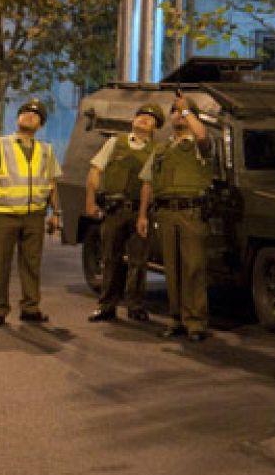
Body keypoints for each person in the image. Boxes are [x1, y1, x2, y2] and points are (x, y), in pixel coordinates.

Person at [0, 99, 61, 327]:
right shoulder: (1, 145)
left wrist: (56, 213)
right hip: (4, 213)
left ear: (40, 125)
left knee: (32, 263)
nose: (30, 117)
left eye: (35, 116)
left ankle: (30, 308)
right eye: (25, 113)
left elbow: (52, 182)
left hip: (35, 214)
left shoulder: (46, 150)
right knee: (1, 263)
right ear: (17, 119)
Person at [136, 95, 213, 342]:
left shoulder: (199, 145)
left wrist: (187, 110)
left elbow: (202, 136)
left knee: (194, 267)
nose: (178, 114)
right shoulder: (161, 149)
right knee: (172, 268)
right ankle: (177, 318)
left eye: (184, 113)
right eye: (175, 111)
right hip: (166, 212)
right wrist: (142, 215)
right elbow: (147, 182)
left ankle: (196, 322)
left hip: (191, 212)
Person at [86, 104, 163, 323]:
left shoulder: (157, 150)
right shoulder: (115, 142)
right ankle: (107, 305)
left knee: (139, 261)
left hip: (141, 211)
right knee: (110, 258)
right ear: (133, 120)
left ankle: (135, 306)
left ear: (155, 127)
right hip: (114, 210)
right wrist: (90, 202)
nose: (144, 120)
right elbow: (95, 170)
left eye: (150, 119)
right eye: (141, 116)